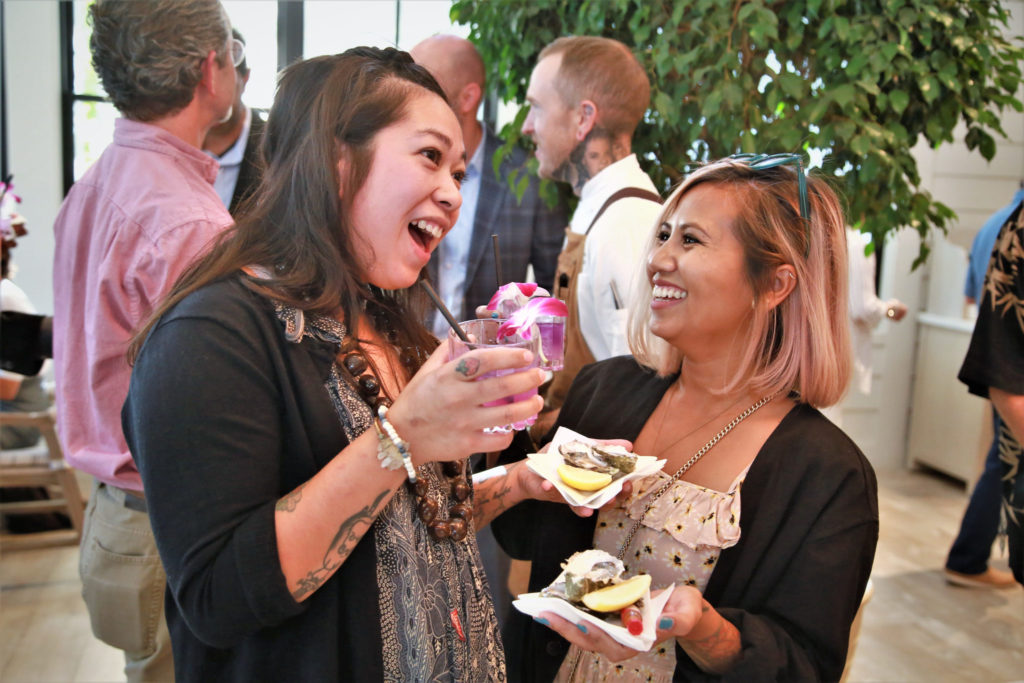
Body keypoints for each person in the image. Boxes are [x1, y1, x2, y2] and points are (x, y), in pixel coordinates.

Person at [121, 48, 579, 680]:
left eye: (459, 173)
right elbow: (218, 598)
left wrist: (523, 479)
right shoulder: (207, 337)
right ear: (335, 161)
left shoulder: (387, 323)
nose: (451, 193)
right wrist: (407, 435)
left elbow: (414, 516)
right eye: (429, 156)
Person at [493, 155, 879, 681]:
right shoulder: (604, 389)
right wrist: (504, 423)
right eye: (664, 235)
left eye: (690, 240)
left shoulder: (828, 475)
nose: (658, 260)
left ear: (775, 285)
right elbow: (522, 539)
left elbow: (806, 665)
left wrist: (707, 630)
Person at [51, 1, 237, 679]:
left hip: (116, 515)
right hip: (170, 527)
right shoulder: (186, 224)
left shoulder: (99, 181)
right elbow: (214, 409)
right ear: (209, 69)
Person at [520, 36, 663, 425]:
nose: (527, 126)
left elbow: (637, 392)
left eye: (535, 107)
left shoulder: (627, 224)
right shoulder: (600, 209)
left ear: (584, 118)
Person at [410, 34, 566, 336]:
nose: (410, 94)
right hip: (407, 359)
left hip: (491, 366)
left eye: (424, 84)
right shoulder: (405, 166)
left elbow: (552, 298)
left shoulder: (527, 176)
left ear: (468, 98)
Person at [944, 188, 1024, 590]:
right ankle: (968, 557)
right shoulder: (1015, 227)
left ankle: (969, 556)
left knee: (1000, 457)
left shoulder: (992, 223)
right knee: (1003, 460)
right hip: (1008, 366)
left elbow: (973, 296)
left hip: (998, 356)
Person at [202, 28, 265, 216]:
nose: (212, 96)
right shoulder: (176, 147)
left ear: (245, 79)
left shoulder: (276, 146)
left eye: (222, 83)